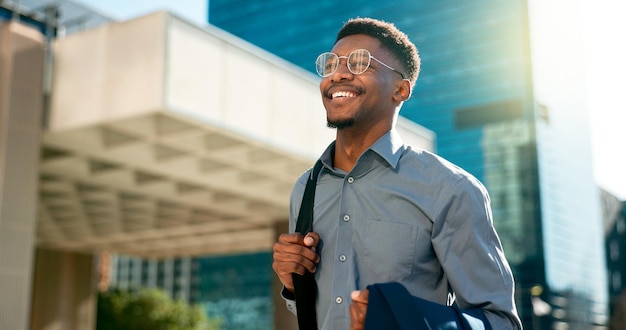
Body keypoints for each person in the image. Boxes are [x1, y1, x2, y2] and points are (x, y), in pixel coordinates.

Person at [272, 17, 522, 330]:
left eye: (360, 62)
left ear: (401, 90)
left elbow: (499, 322)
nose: (339, 73)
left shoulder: (451, 189)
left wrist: (403, 319)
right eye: (332, 63)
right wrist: (294, 285)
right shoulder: (305, 188)